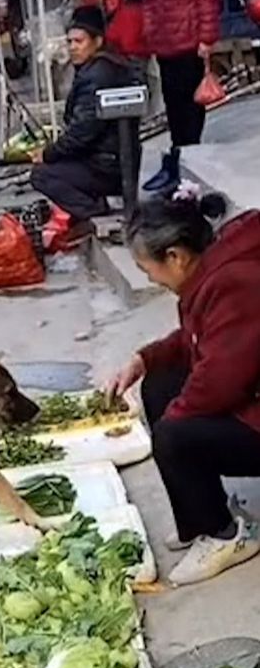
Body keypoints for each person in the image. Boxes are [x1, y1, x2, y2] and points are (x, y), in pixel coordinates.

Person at [105, 190, 260, 587]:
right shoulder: (212, 268)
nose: (151, 280)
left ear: (175, 256)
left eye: (147, 270)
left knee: (175, 434)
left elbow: (220, 382)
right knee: (159, 384)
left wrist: (169, 434)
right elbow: (198, 339)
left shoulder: (234, 282)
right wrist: (143, 359)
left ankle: (227, 537)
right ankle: (199, 518)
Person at [29, 6, 134, 247]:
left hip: (107, 165)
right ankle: (86, 211)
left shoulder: (98, 75)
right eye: (70, 42)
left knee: (41, 175)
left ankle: (94, 212)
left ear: (97, 41)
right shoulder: (101, 68)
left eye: (79, 41)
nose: (73, 47)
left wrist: (48, 153)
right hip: (110, 159)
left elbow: (82, 132)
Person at [140, 0, 220, 193]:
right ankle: (178, 158)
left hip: (188, 43)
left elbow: (207, 0)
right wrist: (150, 36)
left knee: (189, 107)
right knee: (173, 105)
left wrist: (207, 39)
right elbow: (149, 5)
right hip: (164, 45)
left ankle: (190, 159)